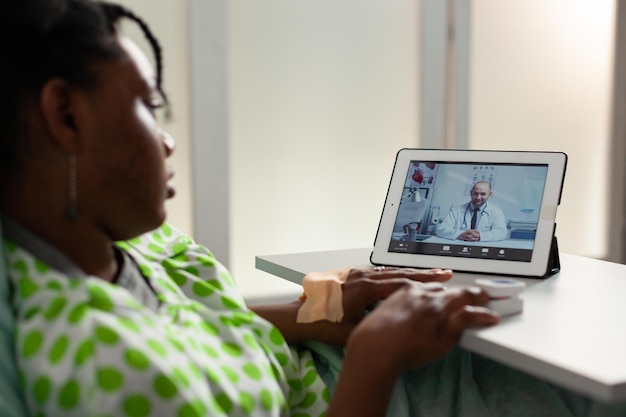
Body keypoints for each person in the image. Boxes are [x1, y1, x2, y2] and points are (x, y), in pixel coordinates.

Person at [1, 2, 625, 417]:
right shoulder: (106, 364)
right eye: (149, 104)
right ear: (66, 115)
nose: (167, 140)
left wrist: (328, 306)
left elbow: (197, 322)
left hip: (339, 359)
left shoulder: (116, 246)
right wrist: (376, 355)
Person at [436, 181, 508, 242]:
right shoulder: (456, 210)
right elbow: (441, 229)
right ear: (471, 193)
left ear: (490, 194)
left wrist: (480, 236)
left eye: (483, 194)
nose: (478, 197)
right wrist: (460, 234)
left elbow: (502, 233)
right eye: (475, 193)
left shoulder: (496, 212)